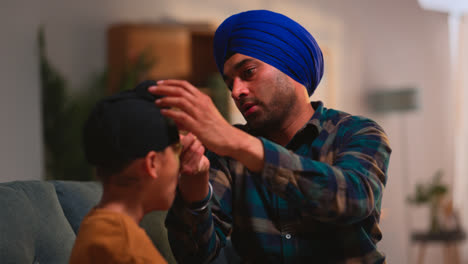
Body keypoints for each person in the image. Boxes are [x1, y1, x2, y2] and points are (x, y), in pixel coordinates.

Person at [151, 10, 392, 263]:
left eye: (249, 72)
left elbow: (353, 199)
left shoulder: (357, 132)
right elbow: (196, 257)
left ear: (290, 65)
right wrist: (195, 187)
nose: (236, 91)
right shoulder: (225, 155)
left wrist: (239, 143)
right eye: (229, 82)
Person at [69, 80, 182, 264]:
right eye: (175, 150)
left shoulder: (98, 226)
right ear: (152, 163)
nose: (180, 166)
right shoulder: (126, 249)